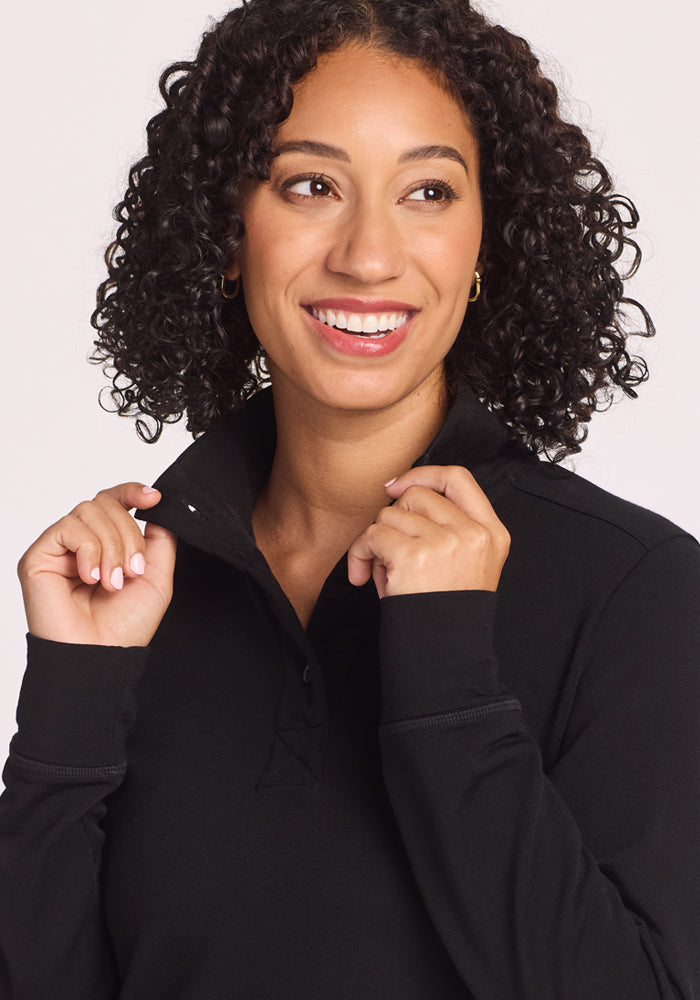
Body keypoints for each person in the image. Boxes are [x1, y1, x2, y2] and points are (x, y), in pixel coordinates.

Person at [1, 0, 698, 996]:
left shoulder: (632, 589)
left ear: (485, 246)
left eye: (426, 191)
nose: (368, 255)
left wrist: (451, 678)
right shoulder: (136, 592)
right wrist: (73, 699)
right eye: (311, 185)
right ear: (227, 229)